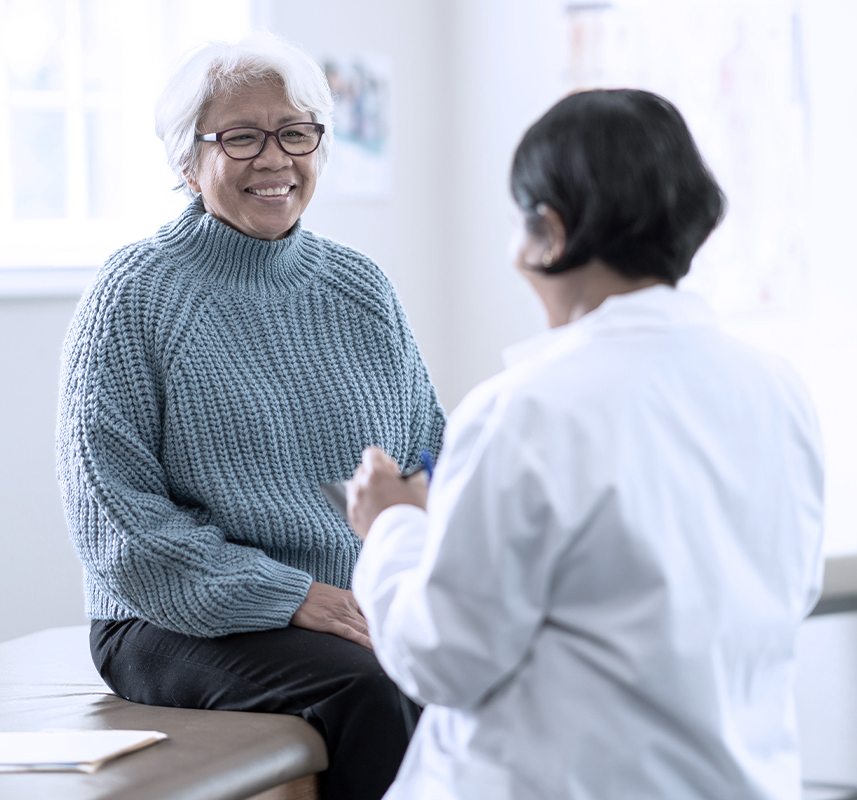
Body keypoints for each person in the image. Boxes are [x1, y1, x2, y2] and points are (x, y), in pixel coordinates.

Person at [346, 89, 825, 800]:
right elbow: (792, 589)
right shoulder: (778, 388)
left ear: (549, 232)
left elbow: (442, 658)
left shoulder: (523, 409)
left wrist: (392, 525)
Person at [56, 34, 444, 800]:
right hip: (170, 615)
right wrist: (289, 595)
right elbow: (117, 525)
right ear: (186, 160)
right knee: (372, 691)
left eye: (295, 133)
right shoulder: (134, 295)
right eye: (241, 137)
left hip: (351, 606)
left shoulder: (361, 290)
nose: (275, 159)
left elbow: (427, 458)